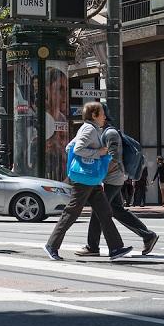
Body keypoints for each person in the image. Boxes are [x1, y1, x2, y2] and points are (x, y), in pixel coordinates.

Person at [43, 102, 132, 261]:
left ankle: (116, 248)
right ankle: (52, 245)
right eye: (102, 113)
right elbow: (77, 149)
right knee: (71, 213)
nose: (105, 116)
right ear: (94, 115)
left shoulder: (91, 129)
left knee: (105, 213)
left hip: (91, 179)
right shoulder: (89, 129)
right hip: (84, 179)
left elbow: (70, 146)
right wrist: (98, 152)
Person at [75, 105, 158, 258]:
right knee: (117, 211)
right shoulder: (103, 132)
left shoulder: (111, 133)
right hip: (112, 178)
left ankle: (92, 246)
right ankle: (148, 236)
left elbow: (114, 158)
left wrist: (99, 176)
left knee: (99, 210)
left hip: (112, 179)